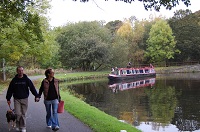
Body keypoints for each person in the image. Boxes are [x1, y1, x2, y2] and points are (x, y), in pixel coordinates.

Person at [6, 66, 40, 132]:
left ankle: (23, 127)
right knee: (18, 113)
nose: (21, 72)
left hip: (25, 99)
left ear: (23, 71)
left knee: (23, 114)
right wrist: (8, 98)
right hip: (17, 99)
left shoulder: (26, 79)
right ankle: (18, 125)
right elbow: (10, 89)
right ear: (17, 71)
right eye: (19, 70)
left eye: (22, 70)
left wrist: (36, 95)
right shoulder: (14, 80)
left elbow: (32, 88)